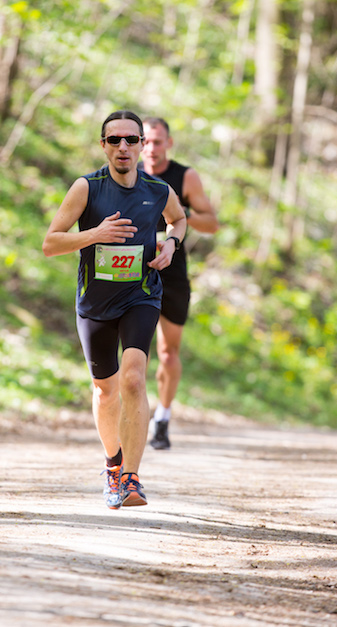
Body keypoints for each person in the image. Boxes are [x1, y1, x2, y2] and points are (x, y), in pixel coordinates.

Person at [43, 110, 188, 509]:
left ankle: (131, 478)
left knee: (134, 379)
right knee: (105, 392)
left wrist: (171, 244)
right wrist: (95, 234)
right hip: (95, 303)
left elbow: (178, 220)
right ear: (103, 145)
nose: (123, 146)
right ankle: (113, 464)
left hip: (141, 295)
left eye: (131, 139)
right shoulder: (86, 188)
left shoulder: (158, 190)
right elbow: (50, 243)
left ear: (142, 144)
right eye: (114, 140)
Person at [140, 117, 220, 450]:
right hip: (135, 271)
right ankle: (132, 417)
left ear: (169, 144)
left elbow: (212, 223)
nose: (150, 148)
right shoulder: (128, 174)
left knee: (168, 353)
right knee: (134, 352)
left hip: (172, 274)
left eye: (157, 142)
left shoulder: (185, 176)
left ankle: (162, 417)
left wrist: (180, 213)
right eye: (145, 141)